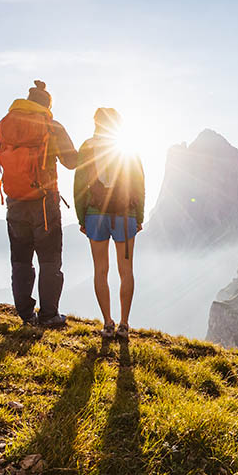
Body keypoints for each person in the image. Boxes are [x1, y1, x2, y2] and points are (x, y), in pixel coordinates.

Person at [0, 80, 78, 327]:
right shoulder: (52, 126)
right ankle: (49, 315)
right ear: (47, 105)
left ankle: (26, 315)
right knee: (49, 259)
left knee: (20, 259)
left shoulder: (3, 124)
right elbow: (72, 162)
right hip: (45, 203)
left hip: (15, 201)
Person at [74, 107, 145, 340]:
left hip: (96, 215)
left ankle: (107, 323)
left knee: (100, 270)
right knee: (126, 270)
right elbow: (138, 183)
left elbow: (80, 185)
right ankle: (124, 325)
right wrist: (140, 217)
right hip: (125, 216)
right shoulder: (128, 146)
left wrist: (81, 217)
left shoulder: (87, 147)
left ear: (95, 123)